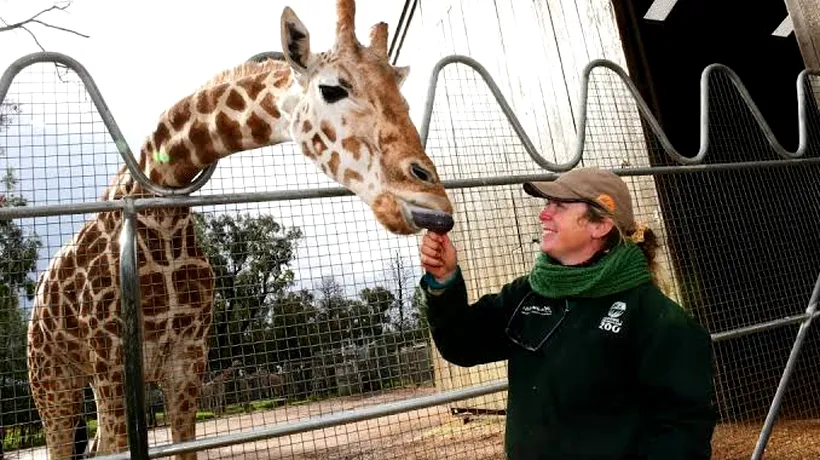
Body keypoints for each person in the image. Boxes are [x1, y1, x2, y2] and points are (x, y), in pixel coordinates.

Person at [418, 167, 717, 460]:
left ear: (599, 226)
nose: (543, 214)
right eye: (548, 203)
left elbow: (681, 433)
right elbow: (462, 345)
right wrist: (444, 280)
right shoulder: (528, 294)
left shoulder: (658, 320)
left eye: (559, 205)